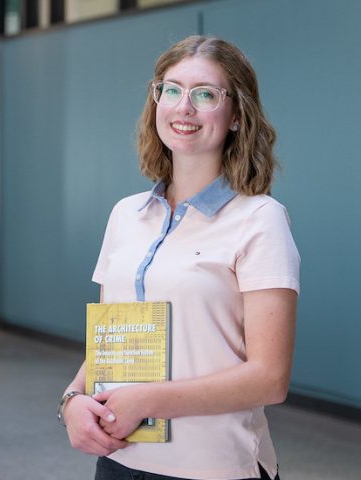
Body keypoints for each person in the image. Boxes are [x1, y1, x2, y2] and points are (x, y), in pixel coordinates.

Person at [58, 35, 300, 480]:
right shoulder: (125, 215)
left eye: (205, 94)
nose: (183, 107)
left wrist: (147, 400)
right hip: (119, 459)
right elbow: (112, 340)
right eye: (171, 90)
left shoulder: (261, 219)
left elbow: (270, 377)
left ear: (236, 116)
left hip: (214, 468)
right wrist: (73, 400)